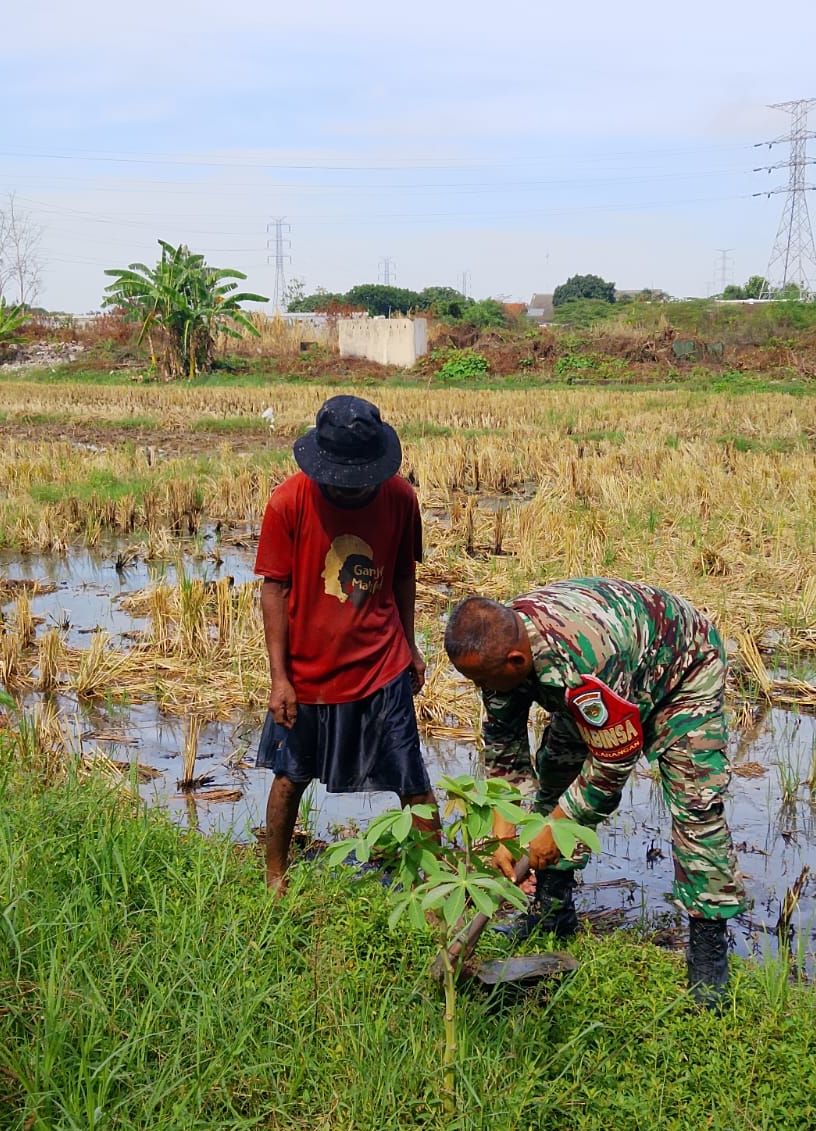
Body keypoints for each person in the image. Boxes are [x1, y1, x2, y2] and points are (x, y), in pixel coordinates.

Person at [443, 579, 747, 1004]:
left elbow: (613, 761)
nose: (484, 690)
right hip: (613, 674)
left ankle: (709, 954)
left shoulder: (584, 662)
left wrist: (559, 825)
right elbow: (504, 749)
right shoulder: (494, 652)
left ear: (516, 661)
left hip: (681, 669)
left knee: (695, 802)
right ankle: (552, 912)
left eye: (488, 681)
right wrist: (502, 828)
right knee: (557, 772)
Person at [254, 394, 438, 895]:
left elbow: (402, 574)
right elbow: (275, 587)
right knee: (290, 776)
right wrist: (280, 679)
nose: (354, 491)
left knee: (412, 779)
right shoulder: (288, 501)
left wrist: (411, 645)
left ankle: (439, 884)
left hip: (382, 662)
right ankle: (276, 876)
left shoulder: (400, 497)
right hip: (309, 672)